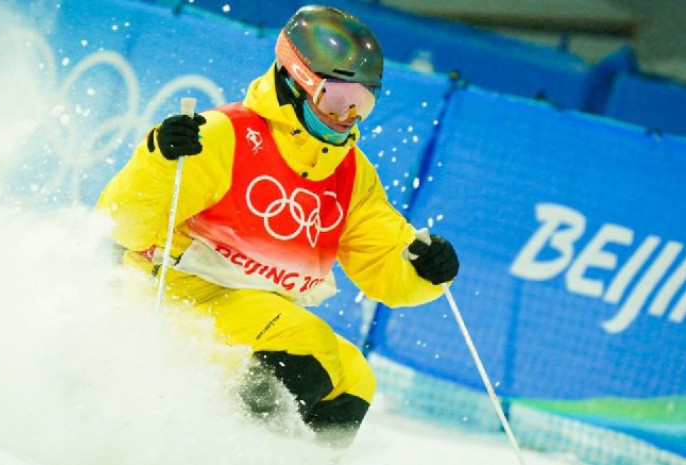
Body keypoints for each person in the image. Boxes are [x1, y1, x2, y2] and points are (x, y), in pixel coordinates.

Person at [96, 4, 459, 448]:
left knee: (355, 377)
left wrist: (422, 268)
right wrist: (158, 161)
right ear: (296, 80)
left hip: (249, 311)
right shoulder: (224, 135)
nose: (347, 117)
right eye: (336, 98)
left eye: (362, 103)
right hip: (174, 293)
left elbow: (385, 258)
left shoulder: (350, 172)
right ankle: (210, 453)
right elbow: (122, 223)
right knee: (307, 343)